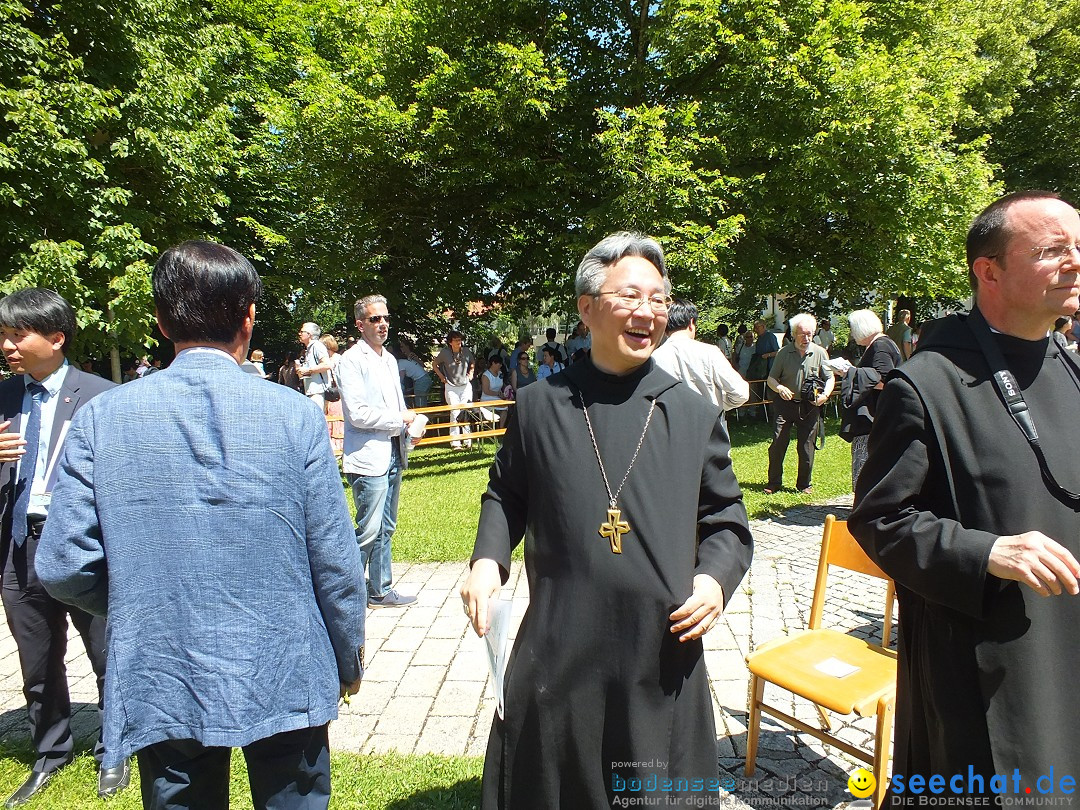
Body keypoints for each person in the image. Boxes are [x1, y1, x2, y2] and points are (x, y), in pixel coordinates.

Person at [35, 241, 367, 810]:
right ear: (249, 317)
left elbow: (63, 564)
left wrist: (142, 598)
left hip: (164, 660)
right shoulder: (296, 417)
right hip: (284, 657)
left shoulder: (98, 420)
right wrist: (348, 652)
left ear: (161, 322)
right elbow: (335, 562)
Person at [460, 231, 753, 809]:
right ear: (587, 307)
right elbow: (505, 495)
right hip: (561, 643)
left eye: (659, 300)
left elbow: (727, 522)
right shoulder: (541, 406)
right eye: (631, 297)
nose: (648, 312)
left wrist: (713, 581)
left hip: (659, 649)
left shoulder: (693, 413)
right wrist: (488, 561)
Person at [850, 191, 1080, 792]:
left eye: (1079, 248)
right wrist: (986, 554)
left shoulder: (1069, 364)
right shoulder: (926, 382)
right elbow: (880, 520)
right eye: (1054, 250)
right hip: (989, 663)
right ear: (990, 271)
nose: (1075, 263)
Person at [0, 288, 128, 806]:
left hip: (84, 545)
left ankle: (114, 748)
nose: (8, 345)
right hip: (18, 546)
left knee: (106, 651)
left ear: (56, 337)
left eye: (17, 334)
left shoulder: (103, 396)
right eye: (3, 335)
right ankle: (50, 751)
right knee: (37, 658)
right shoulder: (3, 397)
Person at [337, 294, 420, 609]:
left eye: (385, 318)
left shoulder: (389, 359)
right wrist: (399, 418)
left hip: (394, 451)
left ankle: (380, 590)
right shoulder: (351, 361)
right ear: (360, 324)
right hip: (368, 456)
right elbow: (357, 413)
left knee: (387, 526)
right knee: (368, 530)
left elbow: (397, 406)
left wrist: (408, 430)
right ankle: (346, 596)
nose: (382, 324)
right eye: (375, 319)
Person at [764, 313, 834, 494]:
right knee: (778, 443)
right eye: (803, 334)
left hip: (809, 406)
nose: (806, 338)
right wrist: (779, 388)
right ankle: (774, 482)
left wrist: (825, 395)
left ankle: (804, 484)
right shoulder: (783, 352)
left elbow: (830, 377)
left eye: (810, 334)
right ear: (794, 334)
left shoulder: (820, 352)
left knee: (806, 446)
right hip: (785, 405)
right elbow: (771, 378)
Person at [652, 298, 749, 427]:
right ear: (692, 322)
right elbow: (741, 393)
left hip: (670, 433)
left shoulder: (654, 358)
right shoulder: (710, 353)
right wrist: (718, 403)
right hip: (711, 432)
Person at [838, 309, 901, 495]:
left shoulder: (880, 346)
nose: (851, 334)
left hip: (872, 419)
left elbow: (886, 380)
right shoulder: (885, 343)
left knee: (865, 465)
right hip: (877, 418)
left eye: (852, 329)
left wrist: (850, 373)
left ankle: (863, 508)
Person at [433, 331, 475, 449]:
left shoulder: (466, 351)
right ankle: (455, 442)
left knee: (466, 411)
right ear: (450, 342)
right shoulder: (445, 353)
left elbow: (472, 362)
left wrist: (471, 372)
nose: (458, 342)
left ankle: (467, 441)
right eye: (456, 340)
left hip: (465, 385)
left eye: (460, 339)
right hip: (451, 386)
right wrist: (441, 377)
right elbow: (434, 364)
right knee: (455, 412)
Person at [298, 321, 333, 410]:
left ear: (309, 334)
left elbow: (327, 364)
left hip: (319, 391)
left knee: (317, 419)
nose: (299, 334)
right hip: (312, 391)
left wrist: (308, 370)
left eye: (302, 332)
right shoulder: (309, 348)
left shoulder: (317, 346)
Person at [479, 355, 508, 428]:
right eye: (499, 363)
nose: (500, 365)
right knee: (502, 407)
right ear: (493, 363)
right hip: (487, 399)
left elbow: (502, 385)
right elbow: (486, 391)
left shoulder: (500, 373)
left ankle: (501, 428)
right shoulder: (486, 375)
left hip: (498, 398)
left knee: (505, 407)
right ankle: (492, 428)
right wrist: (498, 394)